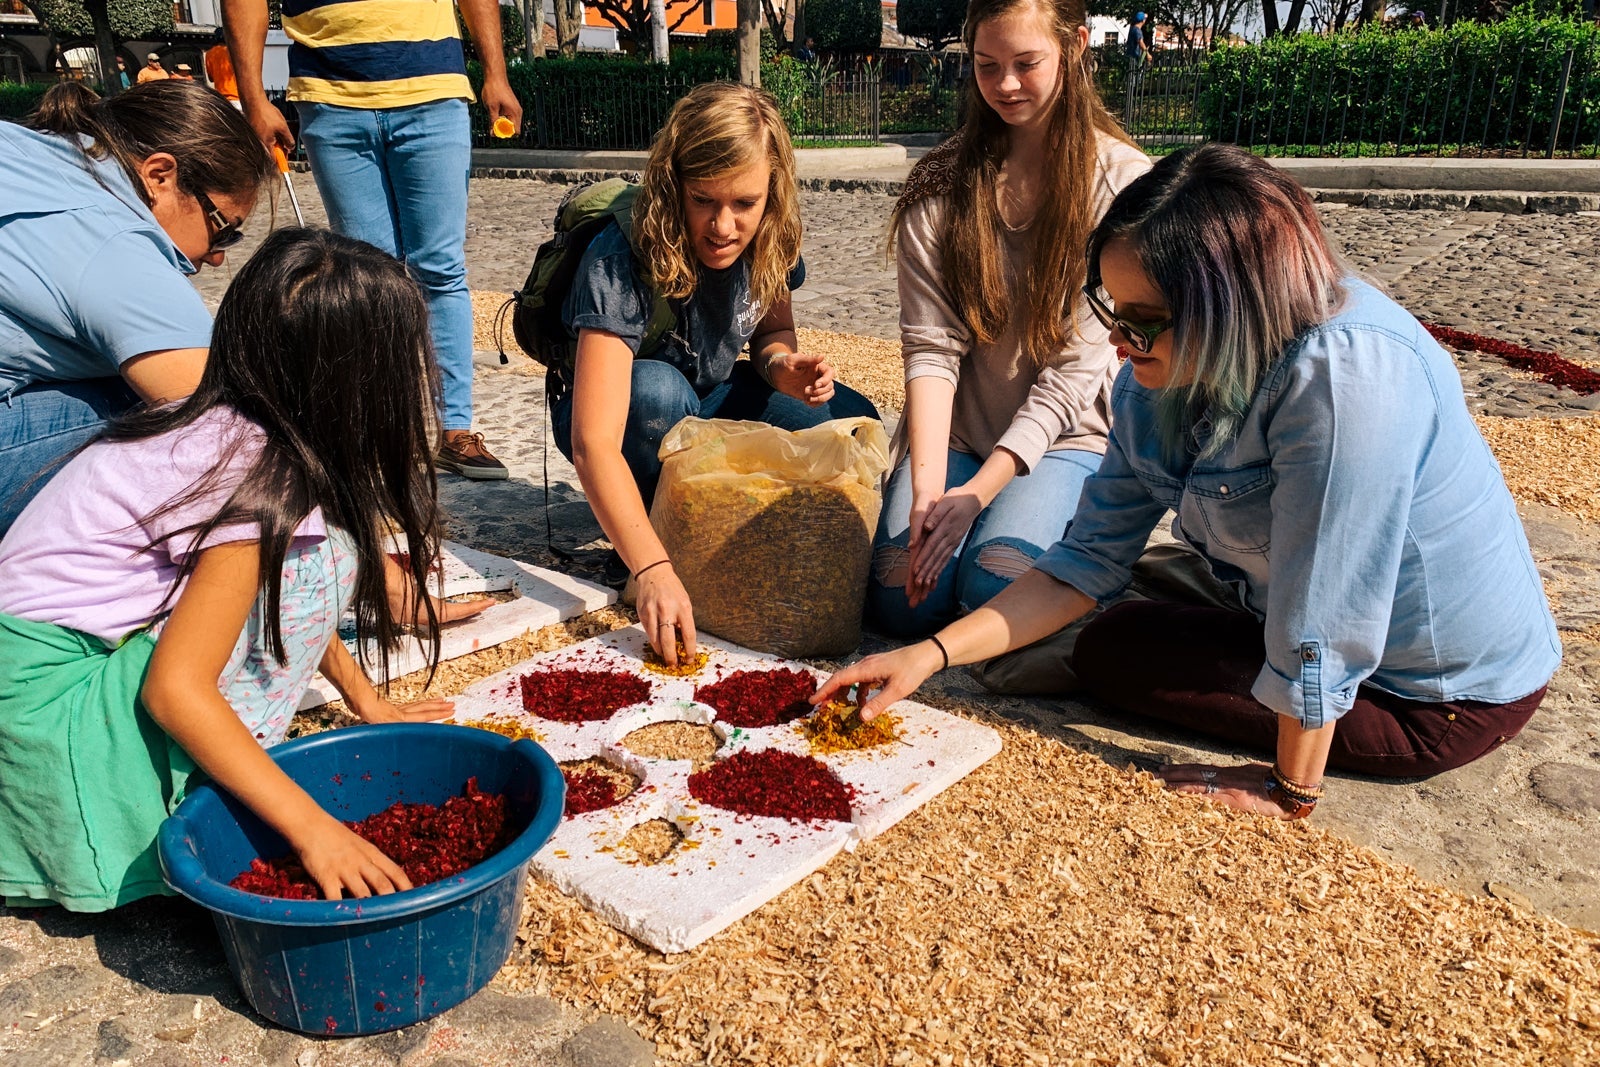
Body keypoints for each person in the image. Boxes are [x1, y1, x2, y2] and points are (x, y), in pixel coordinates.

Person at [816, 144, 1559, 819]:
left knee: (1113, 654)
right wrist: (930, 655)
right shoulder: (1156, 375)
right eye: (1110, 309)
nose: (1117, 341)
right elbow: (1085, 559)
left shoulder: (1343, 384)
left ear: (1230, 307)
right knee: (1101, 614)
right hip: (1275, 594)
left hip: (1433, 693)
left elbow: (1321, 624)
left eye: (1141, 320)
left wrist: (1287, 788)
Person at [0, 228, 459, 911]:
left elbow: (275, 596)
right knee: (320, 555)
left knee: (321, 550)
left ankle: (237, 761)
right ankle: (205, 790)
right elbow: (175, 689)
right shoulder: (251, 470)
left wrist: (367, 700)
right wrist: (313, 829)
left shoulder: (243, 423)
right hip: (50, 708)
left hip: (37, 679)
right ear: (360, 387)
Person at [555, 82, 880, 664]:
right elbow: (591, 441)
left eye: (744, 205)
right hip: (630, 411)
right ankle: (650, 540)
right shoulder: (618, 253)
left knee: (851, 419)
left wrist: (783, 369)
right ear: (674, 183)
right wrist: (652, 570)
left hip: (713, 396)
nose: (723, 226)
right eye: (703, 200)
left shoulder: (773, 233)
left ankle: (731, 526)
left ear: (772, 194)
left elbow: (772, 333)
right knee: (658, 394)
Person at [866, 0, 1149, 639]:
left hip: (1066, 437)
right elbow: (931, 349)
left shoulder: (1122, 185)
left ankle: (1086, 553)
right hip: (960, 434)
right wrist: (929, 496)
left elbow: (1076, 373)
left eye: (1026, 63)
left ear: (1076, 46)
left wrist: (977, 498)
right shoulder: (941, 181)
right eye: (987, 66)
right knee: (899, 599)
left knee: (992, 585)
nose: (1006, 85)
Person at [223, 0, 524, 480]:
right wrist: (254, 98)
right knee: (363, 278)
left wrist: (496, 72)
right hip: (329, 96)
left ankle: (455, 429)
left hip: (432, 89)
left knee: (440, 268)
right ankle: (382, 432)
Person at [0, 81, 267, 535]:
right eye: (223, 229)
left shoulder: (33, 150)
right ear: (159, 175)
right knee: (209, 429)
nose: (219, 256)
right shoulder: (111, 241)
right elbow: (218, 422)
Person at [204, 29, 240, 107]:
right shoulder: (233, 51)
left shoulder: (209, 54)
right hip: (237, 96)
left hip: (221, 98)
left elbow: (211, 78)